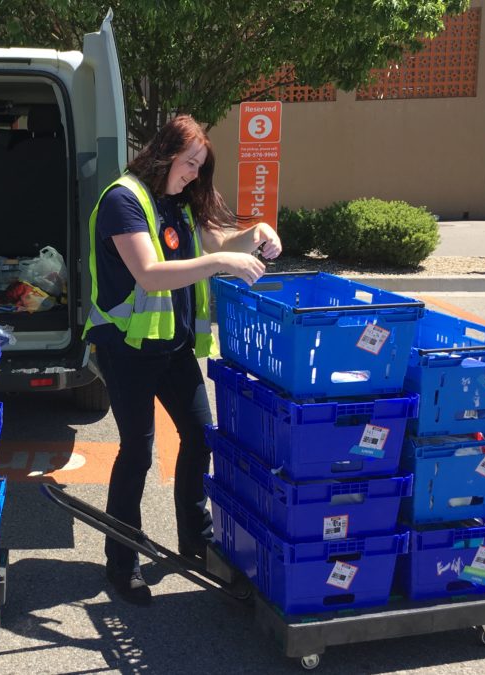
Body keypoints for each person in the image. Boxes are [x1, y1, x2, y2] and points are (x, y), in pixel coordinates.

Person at [83, 114, 282, 605]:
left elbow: (219, 242)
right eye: (189, 163)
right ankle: (121, 561)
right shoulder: (122, 199)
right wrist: (221, 264)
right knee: (137, 452)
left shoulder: (178, 203)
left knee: (199, 434)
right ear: (165, 152)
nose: (194, 173)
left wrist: (256, 232)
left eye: (199, 167)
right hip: (125, 347)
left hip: (168, 344)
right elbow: (150, 275)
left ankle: (195, 537)